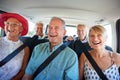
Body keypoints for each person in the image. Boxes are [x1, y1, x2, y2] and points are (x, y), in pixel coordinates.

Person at [0, 12, 30, 80]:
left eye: (15, 24)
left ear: (21, 29)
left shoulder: (25, 49)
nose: (10, 26)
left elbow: (23, 70)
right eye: (7, 23)